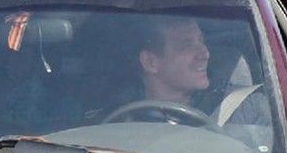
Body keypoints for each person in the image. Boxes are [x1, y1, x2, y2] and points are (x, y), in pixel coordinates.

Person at [114, 16, 268, 129]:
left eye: (201, 41)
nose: (205, 53)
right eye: (187, 46)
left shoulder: (246, 110)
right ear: (150, 62)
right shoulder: (115, 120)